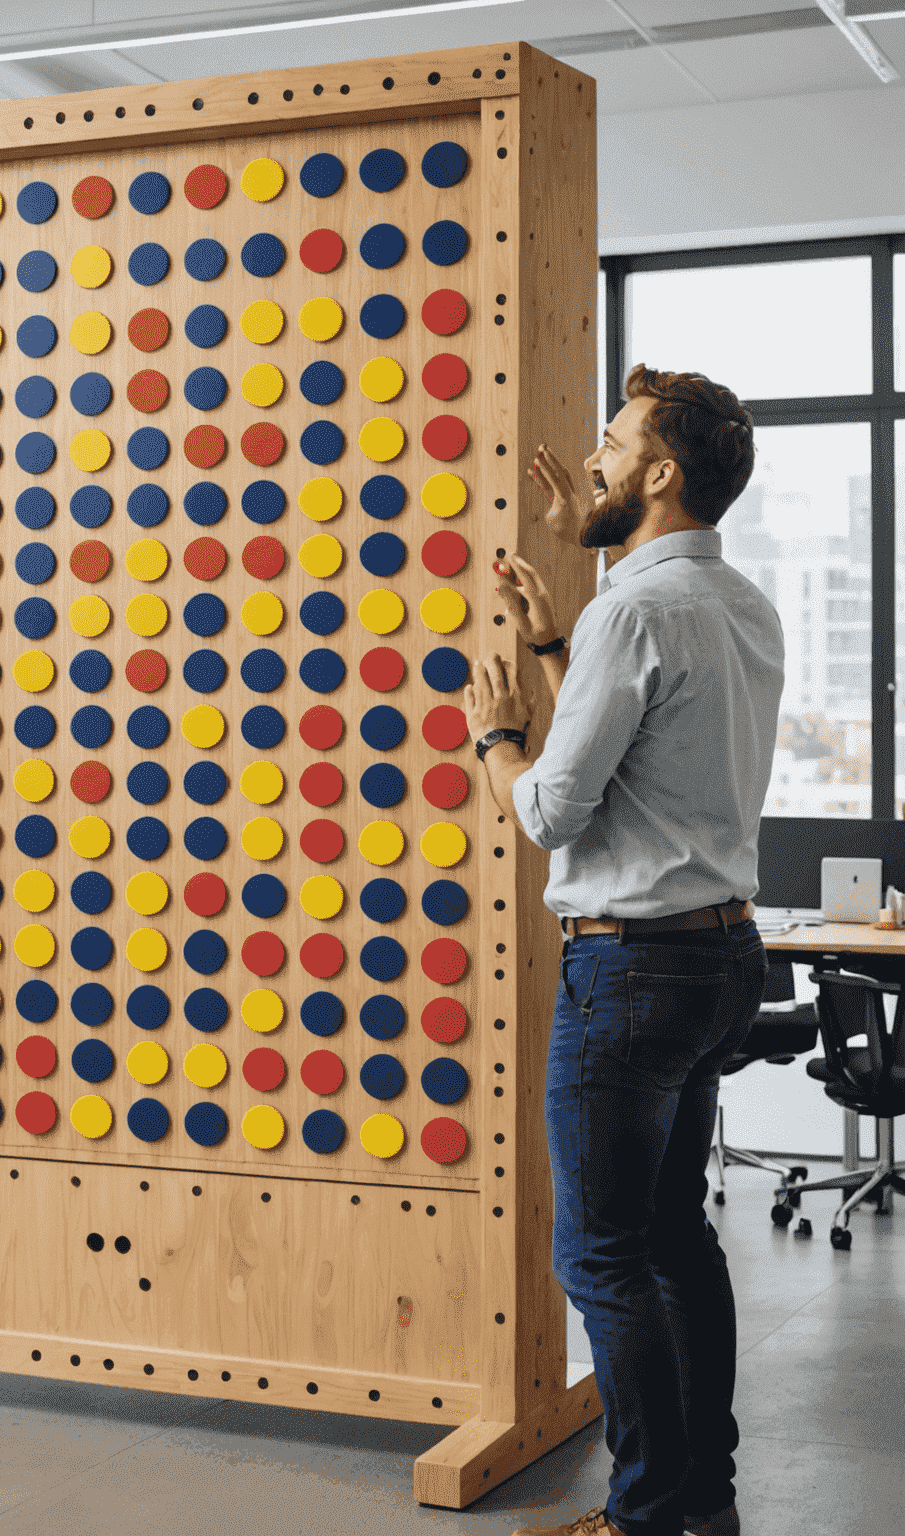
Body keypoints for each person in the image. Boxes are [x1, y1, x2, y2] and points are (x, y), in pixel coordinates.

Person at [461, 366, 783, 1536]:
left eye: (609, 441)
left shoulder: (633, 614)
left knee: (600, 1257)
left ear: (660, 473)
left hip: (630, 974)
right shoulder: (740, 604)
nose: (587, 461)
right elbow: (640, 773)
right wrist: (558, 640)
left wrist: (499, 739)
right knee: (674, 1239)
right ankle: (703, 1495)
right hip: (719, 961)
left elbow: (554, 811)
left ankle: (641, 1515)